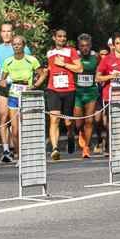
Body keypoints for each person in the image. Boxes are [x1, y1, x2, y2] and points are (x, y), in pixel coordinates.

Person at [0, 35, 44, 159]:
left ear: (24, 46)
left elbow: (42, 74)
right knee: (15, 129)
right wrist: (3, 82)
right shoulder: (8, 61)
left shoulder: (31, 60)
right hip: (13, 95)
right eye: (14, 44)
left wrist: (35, 85)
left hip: (27, 95)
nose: (16, 46)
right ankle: (19, 155)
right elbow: (2, 80)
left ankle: (30, 153)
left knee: (27, 126)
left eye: (19, 44)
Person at [43, 28, 82, 161]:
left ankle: (70, 134)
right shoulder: (49, 53)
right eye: (59, 36)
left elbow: (80, 68)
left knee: (68, 121)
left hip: (68, 90)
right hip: (53, 89)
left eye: (64, 36)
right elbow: (48, 69)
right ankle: (55, 148)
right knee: (54, 119)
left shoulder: (71, 51)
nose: (62, 39)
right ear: (54, 38)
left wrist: (64, 64)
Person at [0, 21, 24, 163]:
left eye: (9, 31)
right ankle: (5, 150)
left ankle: (19, 150)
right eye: (4, 31)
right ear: (0, 33)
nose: (6, 34)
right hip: (3, 87)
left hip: (17, 88)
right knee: (3, 117)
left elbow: (29, 65)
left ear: (13, 33)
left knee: (17, 121)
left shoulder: (21, 47)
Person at [71, 34, 101, 158]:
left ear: (90, 46)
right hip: (78, 92)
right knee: (78, 122)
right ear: (78, 46)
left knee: (89, 120)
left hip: (91, 92)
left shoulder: (96, 57)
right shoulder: (75, 57)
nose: (85, 48)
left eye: (87, 46)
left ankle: (86, 147)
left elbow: (100, 71)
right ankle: (80, 133)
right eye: (82, 46)